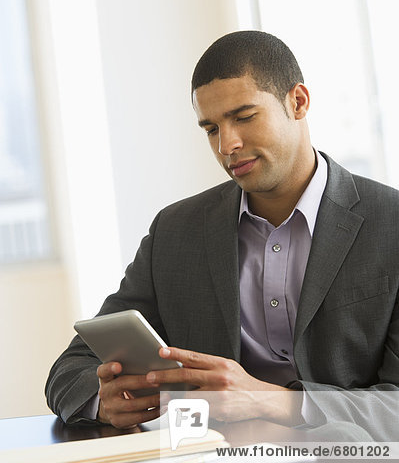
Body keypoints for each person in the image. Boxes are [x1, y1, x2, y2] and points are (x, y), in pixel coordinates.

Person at [46, 31, 399, 438]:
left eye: (244, 117)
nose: (227, 144)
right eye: (211, 128)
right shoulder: (176, 231)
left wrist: (271, 399)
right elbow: (71, 367)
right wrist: (103, 401)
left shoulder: (389, 224)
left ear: (297, 102)